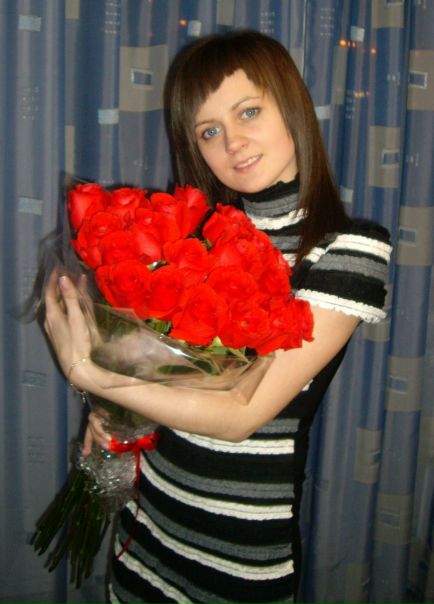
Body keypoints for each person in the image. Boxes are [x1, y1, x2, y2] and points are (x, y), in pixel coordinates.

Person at [44, 31, 392, 604]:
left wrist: (92, 375)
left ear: (293, 106)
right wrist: (116, 414)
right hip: (147, 524)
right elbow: (163, 369)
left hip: (235, 549)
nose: (232, 142)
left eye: (249, 111)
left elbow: (240, 415)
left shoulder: (348, 250)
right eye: (208, 131)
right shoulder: (193, 234)